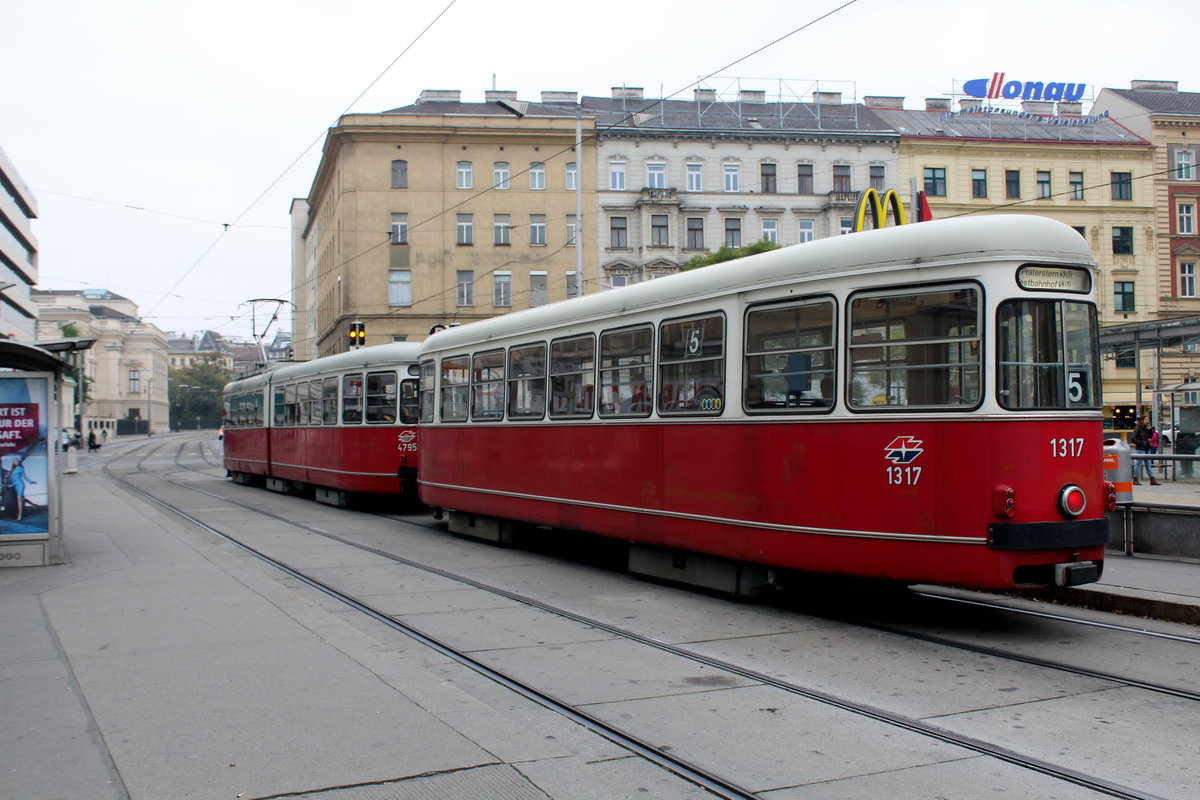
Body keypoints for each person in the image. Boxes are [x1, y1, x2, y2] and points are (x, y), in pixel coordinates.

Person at [1130, 416, 1160, 485]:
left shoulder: (1146, 428)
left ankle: (1152, 479)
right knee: (1138, 464)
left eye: (1148, 420)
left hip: (1147, 448)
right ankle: (1135, 479)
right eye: (1146, 419)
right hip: (1141, 448)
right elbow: (1133, 438)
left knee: (1148, 465)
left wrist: (1149, 429)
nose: (1147, 421)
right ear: (1142, 420)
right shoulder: (1138, 428)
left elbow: (1150, 436)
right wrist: (1140, 443)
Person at [9, 457, 35, 521]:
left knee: (19, 499)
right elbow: (14, 479)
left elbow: (24, 477)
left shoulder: (21, 468)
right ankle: (34, 505)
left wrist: (30, 481)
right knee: (21, 499)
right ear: (14, 462)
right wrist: (11, 485)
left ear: (19, 462)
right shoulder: (13, 469)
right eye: (15, 461)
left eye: (18, 461)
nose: (17, 462)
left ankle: (19, 516)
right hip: (15, 485)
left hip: (20, 485)